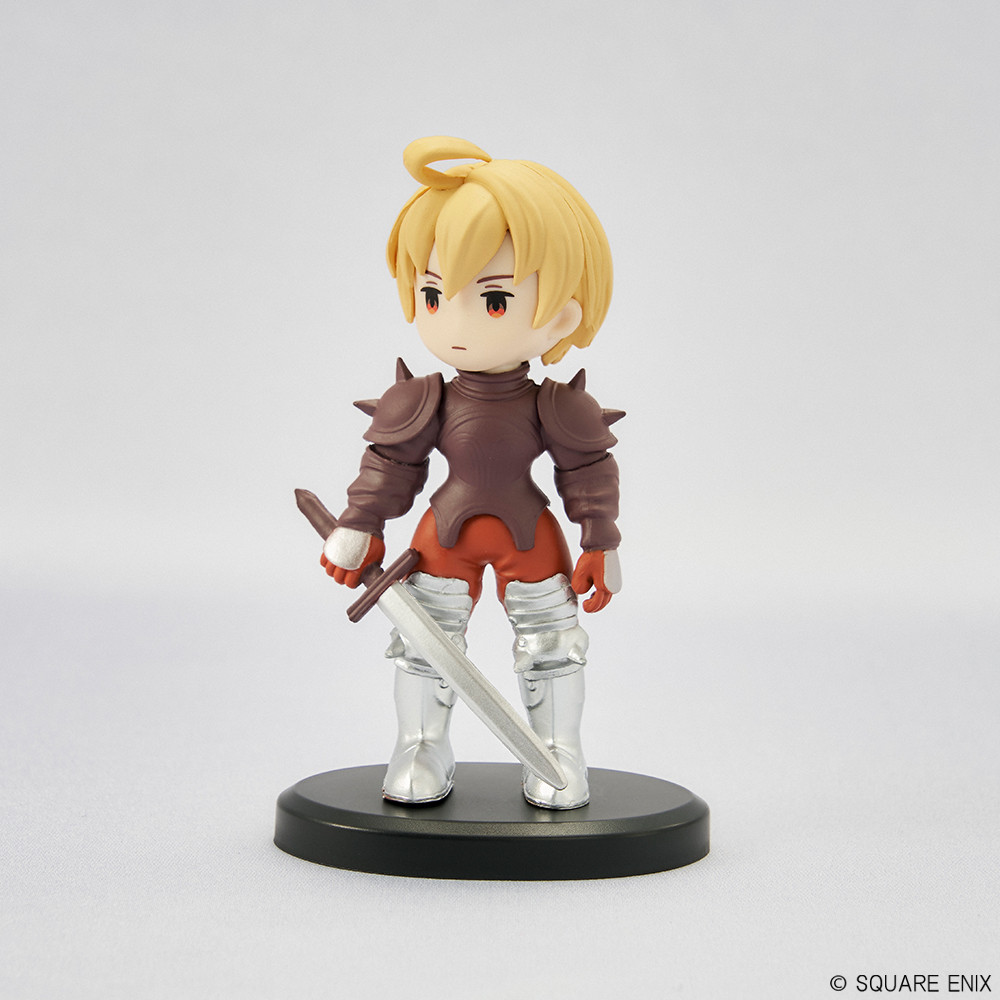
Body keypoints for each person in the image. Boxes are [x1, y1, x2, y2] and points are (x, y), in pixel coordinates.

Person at [319, 136, 622, 809]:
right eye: (433, 293)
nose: (453, 320)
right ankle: (421, 743)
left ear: (563, 313)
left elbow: (587, 469)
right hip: (443, 539)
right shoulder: (424, 399)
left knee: (552, 645)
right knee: (424, 643)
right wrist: (360, 523)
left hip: (530, 537)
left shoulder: (556, 407)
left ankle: (557, 750)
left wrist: (600, 540)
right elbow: (392, 462)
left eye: (493, 301)